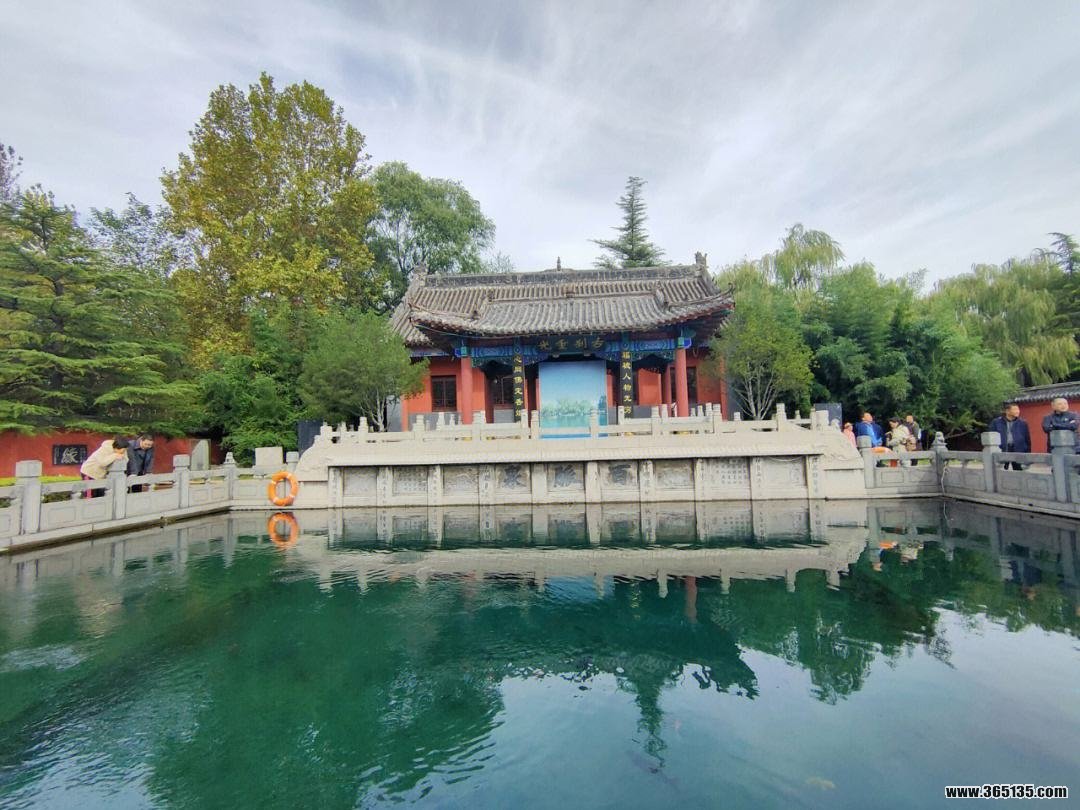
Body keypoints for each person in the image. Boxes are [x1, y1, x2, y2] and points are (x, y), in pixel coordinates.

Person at [988, 404, 1031, 470]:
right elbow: (991, 437)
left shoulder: (1022, 423)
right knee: (1001, 471)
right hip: (1003, 449)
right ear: (1007, 411)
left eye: (1018, 409)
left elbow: (1027, 439)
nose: (1017, 411)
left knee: (1019, 471)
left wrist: (1028, 453)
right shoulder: (996, 422)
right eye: (1015, 409)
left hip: (1018, 449)